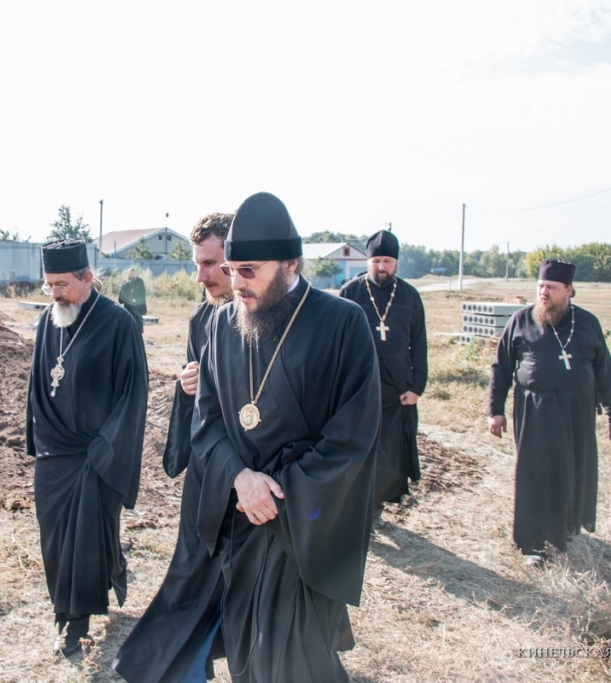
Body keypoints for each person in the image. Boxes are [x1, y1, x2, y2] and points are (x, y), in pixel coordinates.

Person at [192, 192, 381, 682]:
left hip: (303, 524)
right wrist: (240, 478)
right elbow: (207, 422)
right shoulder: (221, 324)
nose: (236, 283)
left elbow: (353, 435)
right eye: (231, 270)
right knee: (246, 654)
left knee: (298, 661)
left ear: (291, 264)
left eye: (248, 271)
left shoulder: (343, 322)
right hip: (242, 518)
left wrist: (277, 493)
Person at [114, 212, 233, 683]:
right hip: (209, 466)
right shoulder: (201, 316)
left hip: (254, 470)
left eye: (211, 263)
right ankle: (180, 665)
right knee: (192, 568)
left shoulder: (267, 318)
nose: (201, 276)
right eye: (197, 263)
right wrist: (188, 382)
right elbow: (194, 378)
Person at [25, 238, 149, 656]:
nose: (55, 293)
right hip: (54, 452)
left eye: (61, 284)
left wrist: (105, 451)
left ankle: (73, 623)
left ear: (87, 278)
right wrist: (40, 439)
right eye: (49, 285)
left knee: (85, 539)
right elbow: (38, 385)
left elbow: (133, 395)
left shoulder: (118, 323)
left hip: (98, 453)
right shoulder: (48, 322)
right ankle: (109, 569)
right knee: (55, 538)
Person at [488, 258, 611, 567]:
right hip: (534, 410)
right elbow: (501, 368)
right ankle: (533, 544)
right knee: (535, 474)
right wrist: (495, 410)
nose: (544, 293)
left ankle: (565, 528)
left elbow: (605, 372)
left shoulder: (587, 323)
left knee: (572, 470)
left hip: (577, 411)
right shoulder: (521, 321)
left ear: (569, 291)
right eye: (540, 286)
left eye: (551, 287)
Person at [339, 230, 427, 530]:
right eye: (376, 261)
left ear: (396, 263)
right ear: (368, 261)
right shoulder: (350, 293)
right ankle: (355, 511)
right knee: (357, 454)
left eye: (387, 261)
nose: (381, 267)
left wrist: (417, 387)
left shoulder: (410, 296)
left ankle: (375, 509)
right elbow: (334, 344)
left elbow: (420, 344)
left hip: (397, 392)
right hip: (358, 391)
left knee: (389, 459)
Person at [118, 267, 148, 333]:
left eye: (132, 273)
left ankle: (138, 333)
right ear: (128, 274)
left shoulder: (140, 281)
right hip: (128, 305)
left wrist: (136, 299)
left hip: (137, 306)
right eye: (130, 274)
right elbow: (121, 294)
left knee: (138, 321)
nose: (131, 275)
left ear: (135, 274)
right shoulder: (125, 282)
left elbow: (142, 293)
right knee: (128, 320)